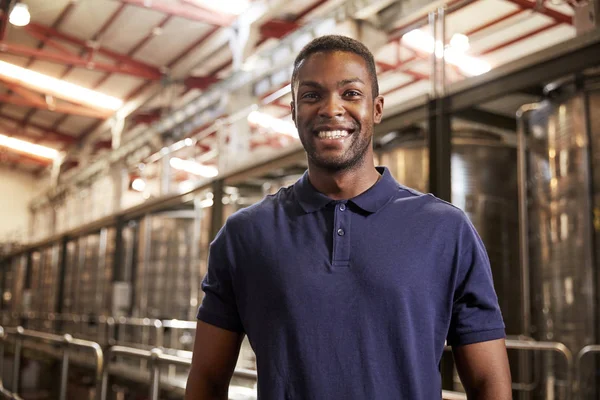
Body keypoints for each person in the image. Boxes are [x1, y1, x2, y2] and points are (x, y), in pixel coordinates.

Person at [185, 35, 512, 399]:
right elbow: (207, 380)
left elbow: (488, 383)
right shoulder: (245, 235)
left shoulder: (446, 229)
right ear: (293, 111)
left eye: (351, 94)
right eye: (311, 95)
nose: (331, 108)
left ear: (376, 108)